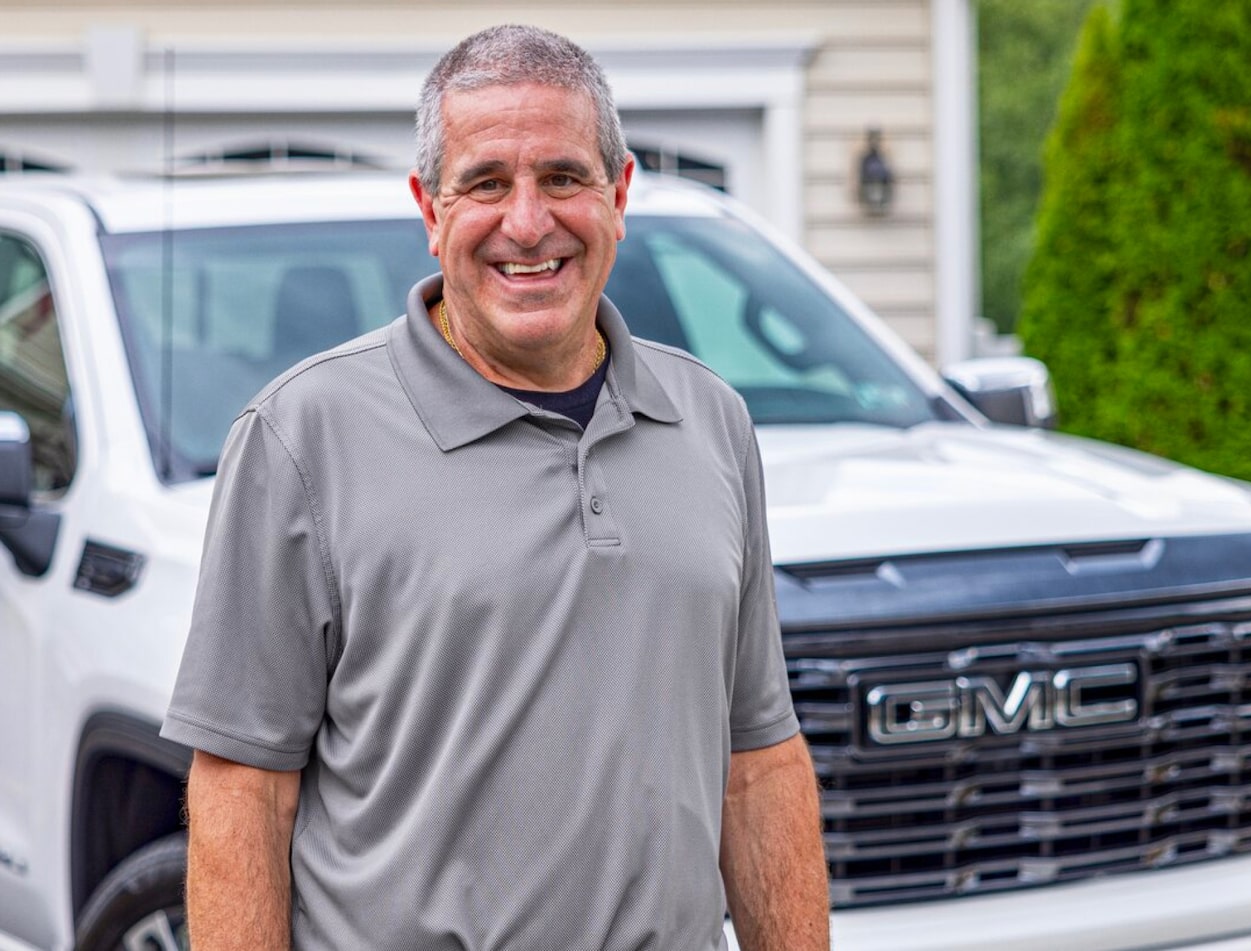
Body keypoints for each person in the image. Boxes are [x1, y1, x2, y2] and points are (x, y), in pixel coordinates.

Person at [161, 23, 829, 951]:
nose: (527, 222)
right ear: (429, 210)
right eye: (485, 183)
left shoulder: (711, 420)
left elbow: (756, 761)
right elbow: (243, 789)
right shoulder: (300, 437)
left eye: (562, 177)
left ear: (619, 195)